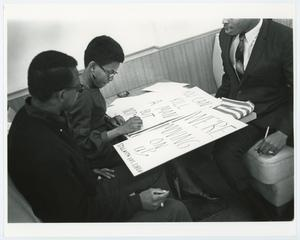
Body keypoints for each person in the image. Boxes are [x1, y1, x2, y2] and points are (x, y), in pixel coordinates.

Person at [8, 50, 192, 222]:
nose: (81, 89)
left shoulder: (30, 113)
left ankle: (161, 205)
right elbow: (78, 214)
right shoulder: (45, 154)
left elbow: (68, 164)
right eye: (78, 88)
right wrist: (137, 202)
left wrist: (83, 169)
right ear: (62, 95)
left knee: (154, 170)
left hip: (87, 182)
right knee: (176, 209)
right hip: (86, 214)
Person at [68, 36, 218, 202]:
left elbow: (91, 119)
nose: (111, 78)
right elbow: (82, 143)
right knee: (158, 146)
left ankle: (187, 188)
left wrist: (108, 120)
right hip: (100, 155)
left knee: (160, 141)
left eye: (114, 73)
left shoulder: (90, 86)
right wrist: (119, 130)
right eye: (110, 72)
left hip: (105, 145)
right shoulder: (82, 96)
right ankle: (181, 195)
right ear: (92, 67)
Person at [213, 19, 293, 218]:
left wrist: (284, 131)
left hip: (279, 112)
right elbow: (229, 78)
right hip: (246, 112)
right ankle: (262, 212)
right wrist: (214, 107)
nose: (225, 19)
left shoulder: (285, 38)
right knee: (223, 154)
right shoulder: (225, 35)